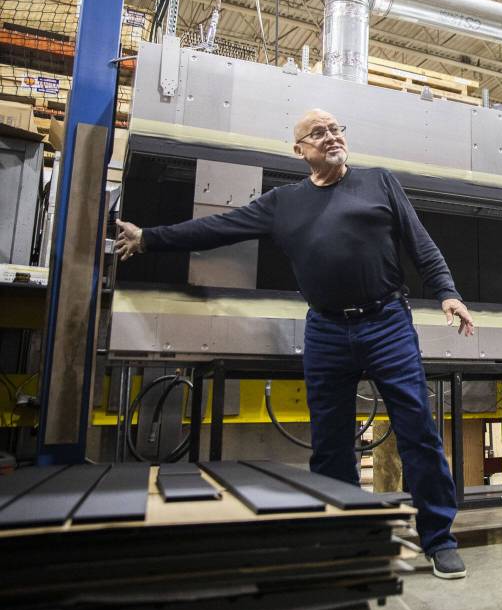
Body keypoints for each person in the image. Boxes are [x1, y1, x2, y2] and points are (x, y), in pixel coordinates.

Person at [115, 108, 474, 579]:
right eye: (318, 133)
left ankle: (439, 539)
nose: (331, 137)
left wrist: (447, 292)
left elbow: (420, 243)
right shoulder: (283, 203)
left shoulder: (380, 182)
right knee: (329, 443)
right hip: (326, 330)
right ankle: (345, 537)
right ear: (300, 150)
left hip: (386, 322)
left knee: (417, 432)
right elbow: (217, 228)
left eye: (336, 129)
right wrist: (148, 239)